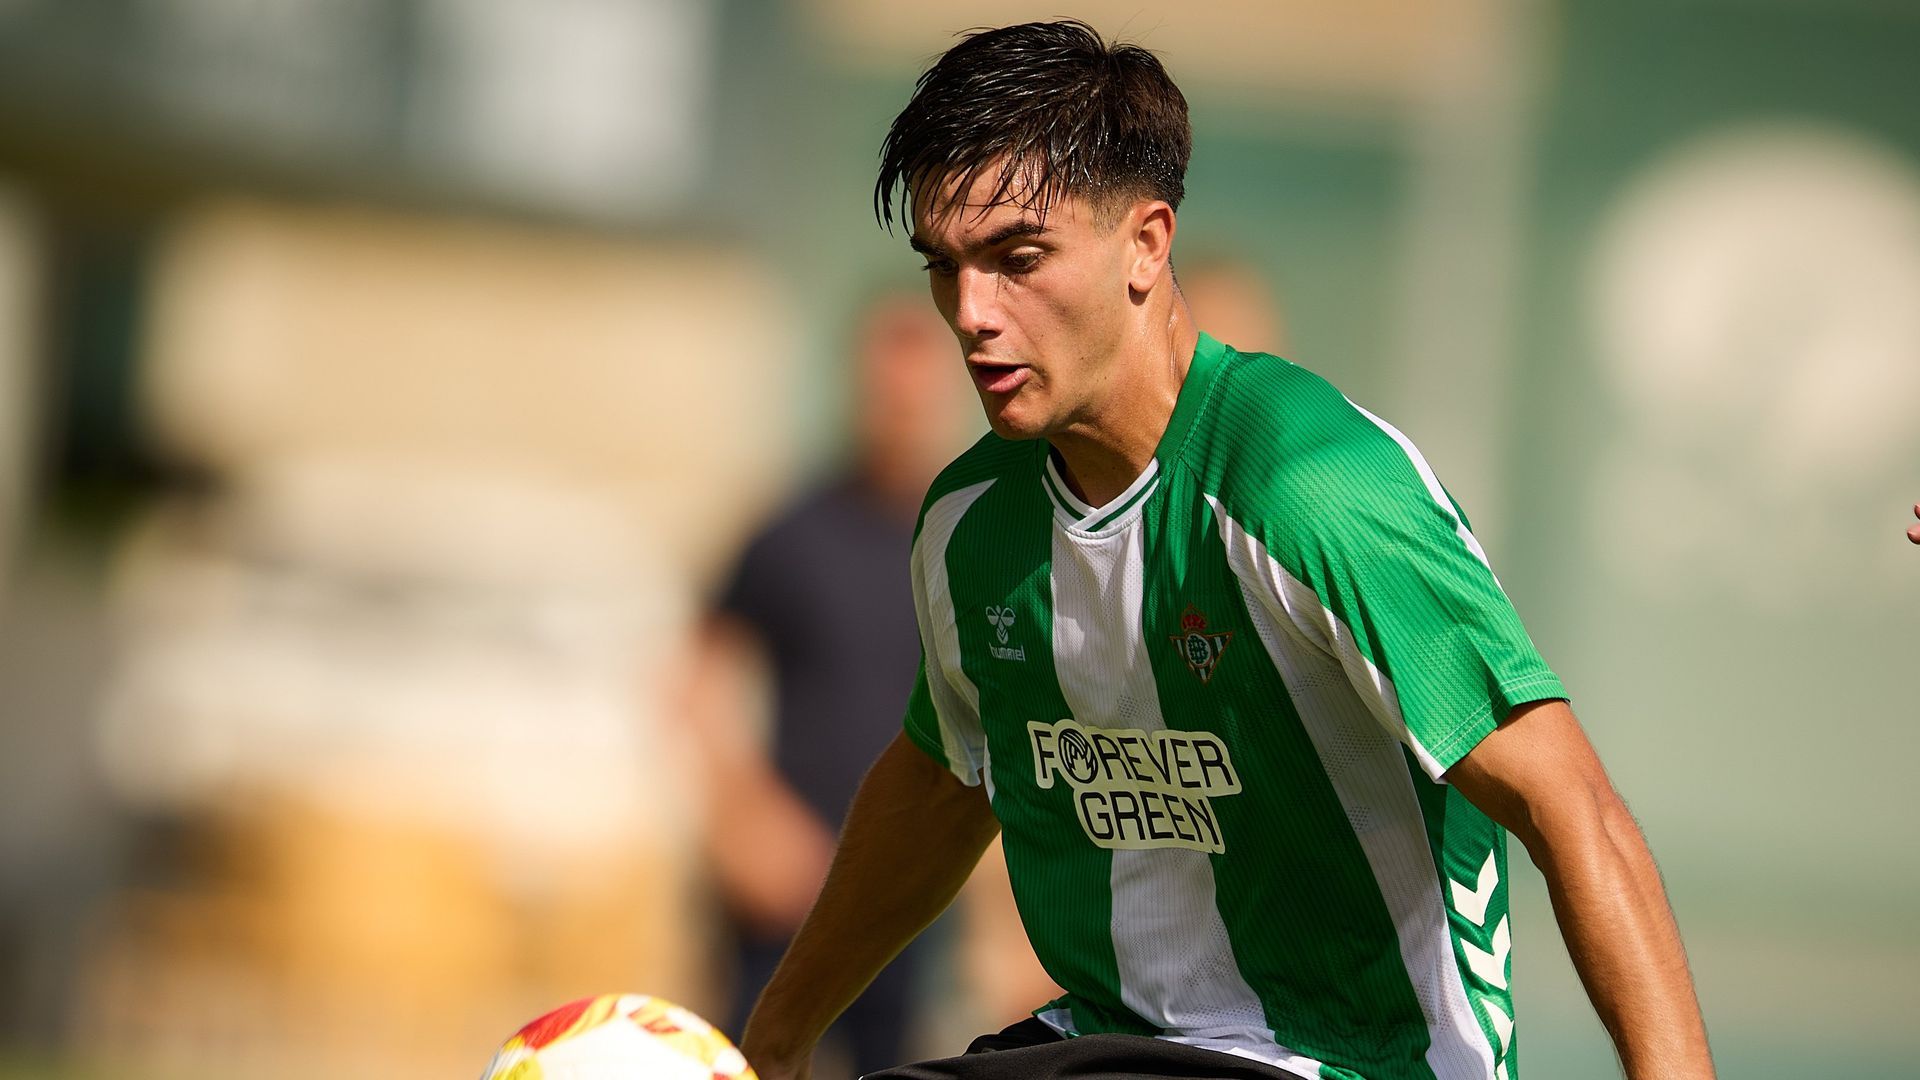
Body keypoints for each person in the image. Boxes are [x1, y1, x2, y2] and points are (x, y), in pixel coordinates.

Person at [741, 20, 1715, 1080]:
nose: (972, 314)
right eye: (947, 267)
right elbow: (941, 782)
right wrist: (772, 1042)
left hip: (1352, 1062)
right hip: (1109, 1043)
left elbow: (1573, 809)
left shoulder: (1313, 489)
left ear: (1147, 245)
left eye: (1018, 260)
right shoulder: (970, 522)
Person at [685, 293, 1050, 1076]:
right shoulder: (792, 531)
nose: (903, 409)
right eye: (889, 390)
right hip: (790, 884)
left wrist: (1007, 916)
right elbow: (700, 673)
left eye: (920, 392)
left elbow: (1014, 723)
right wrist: (743, 819)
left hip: (920, 887)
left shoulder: (980, 535)